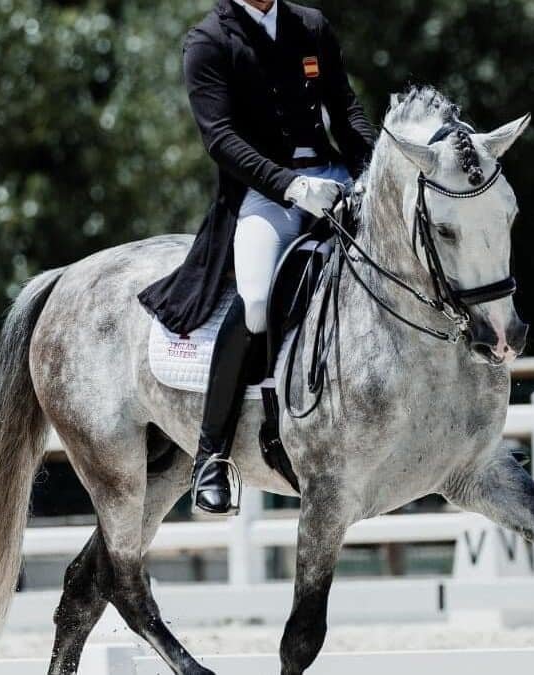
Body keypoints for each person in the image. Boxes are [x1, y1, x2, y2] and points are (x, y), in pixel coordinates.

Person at [138, 0, 376, 515]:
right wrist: (289, 185)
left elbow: (344, 105)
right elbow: (220, 138)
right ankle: (211, 456)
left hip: (335, 179)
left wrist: (370, 171)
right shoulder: (208, 41)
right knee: (256, 300)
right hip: (266, 195)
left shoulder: (311, 25)